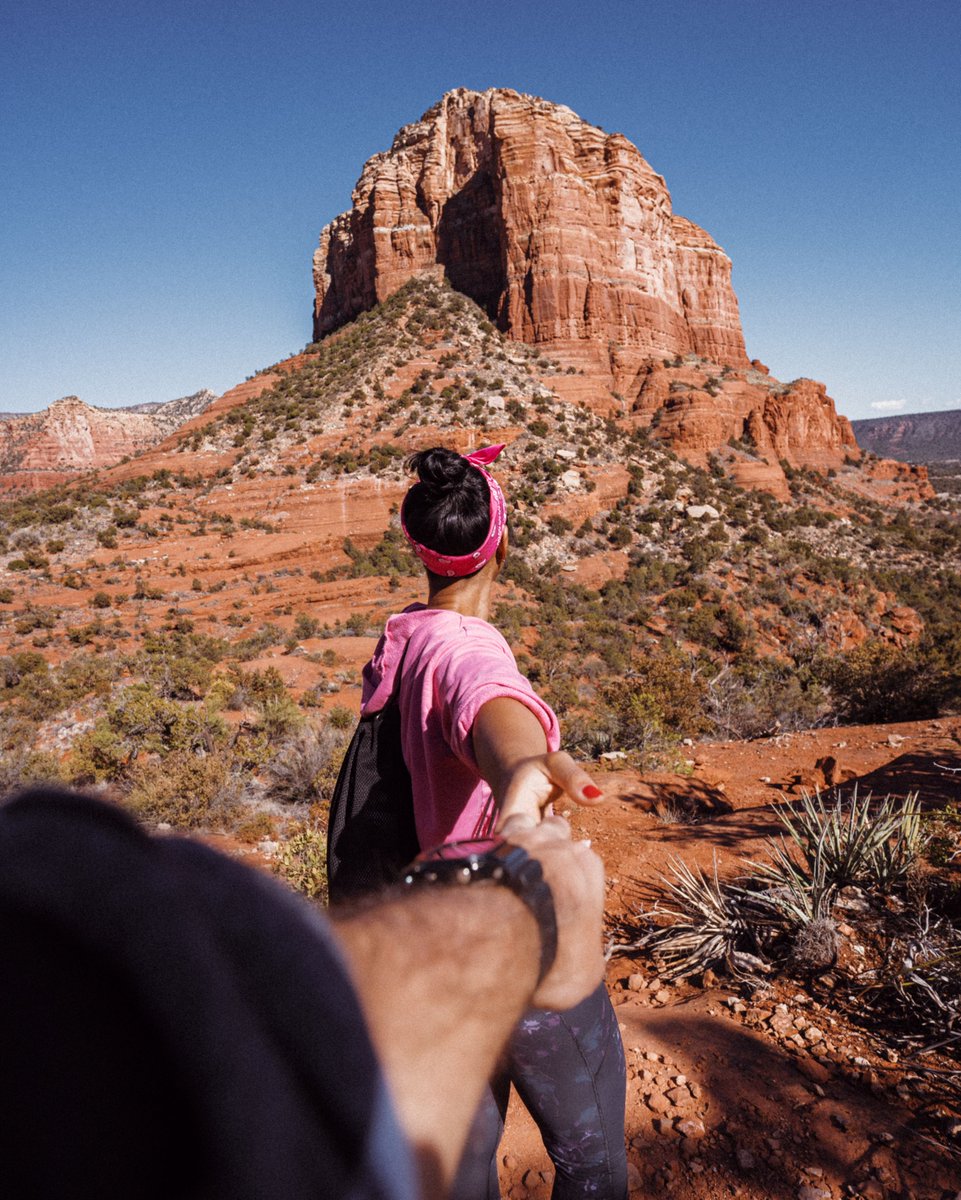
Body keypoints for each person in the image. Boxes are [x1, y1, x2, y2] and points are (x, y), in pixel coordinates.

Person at [0, 785, 606, 1200]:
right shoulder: (463, 645)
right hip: (484, 952)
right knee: (590, 1154)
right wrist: (529, 899)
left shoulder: (402, 650)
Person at [354, 444, 628, 1200]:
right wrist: (521, 772)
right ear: (501, 543)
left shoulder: (407, 634)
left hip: (438, 950)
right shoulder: (472, 651)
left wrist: (515, 770)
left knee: (460, 1169)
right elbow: (493, 708)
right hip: (517, 940)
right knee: (592, 1160)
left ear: (421, 552)